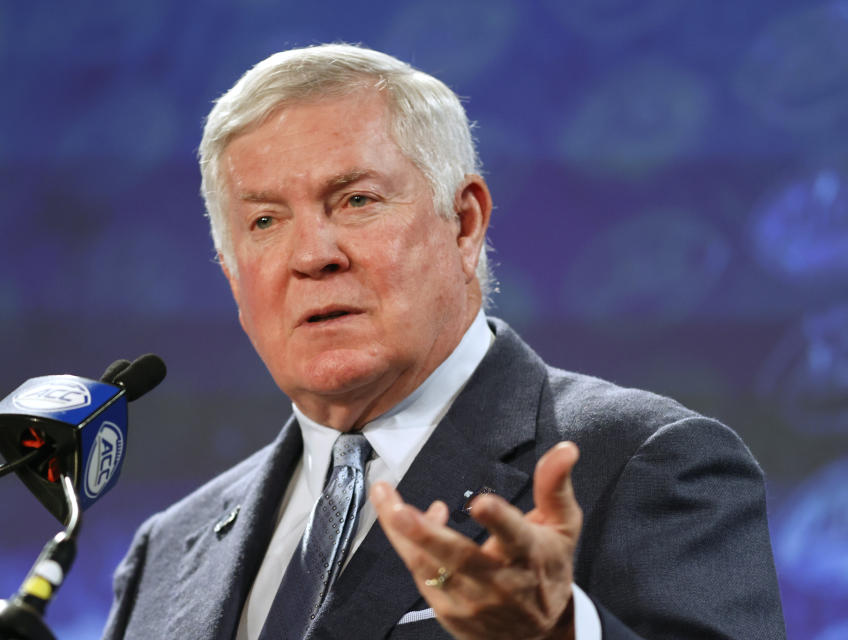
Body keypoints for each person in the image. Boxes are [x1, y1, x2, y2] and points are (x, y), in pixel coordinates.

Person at [101, 44, 786, 639]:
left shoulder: (646, 462)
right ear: (233, 278)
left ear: (463, 224)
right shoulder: (167, 552)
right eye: (264, 221)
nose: (312, 255)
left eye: (356, 200)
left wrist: (555, 636)